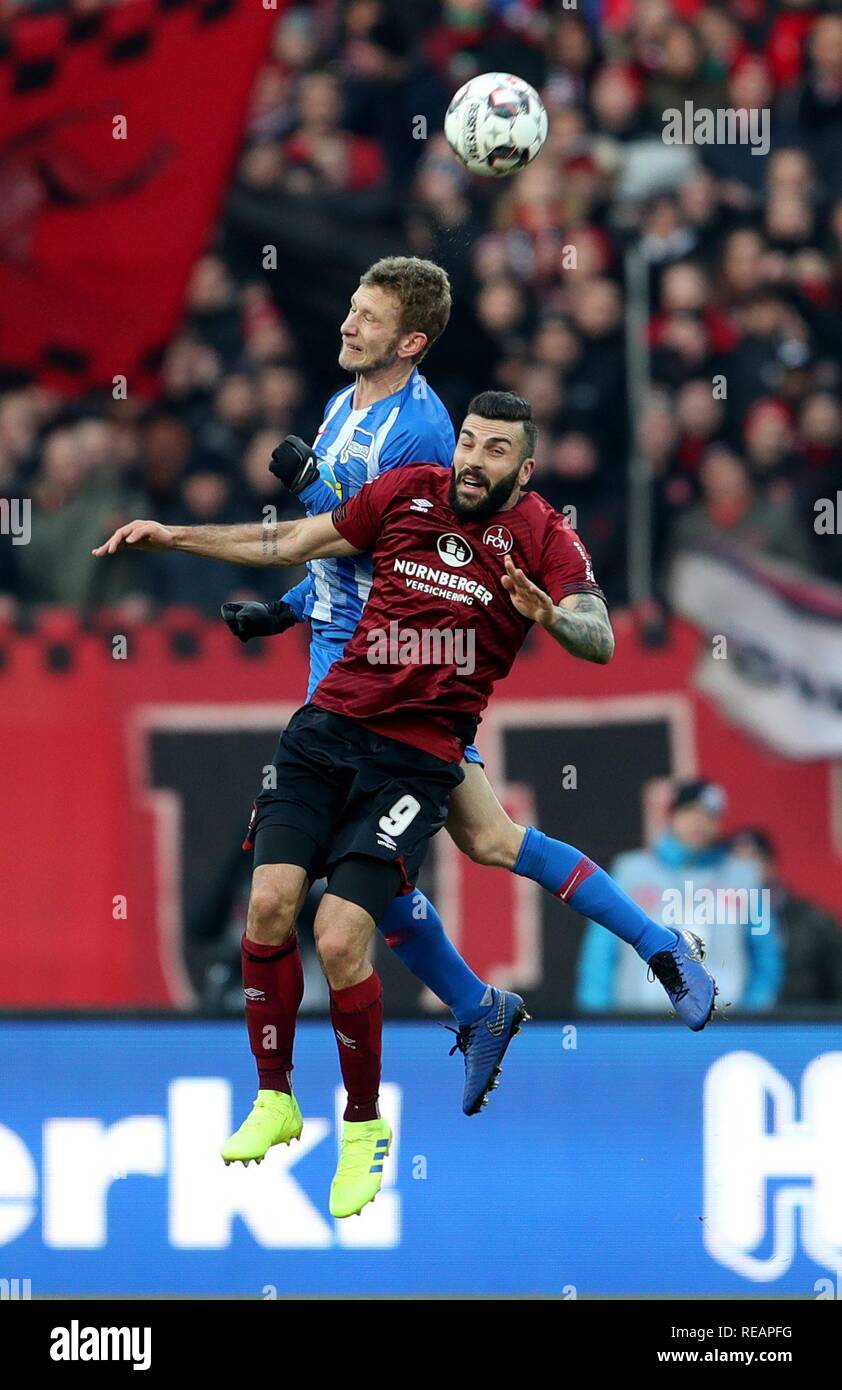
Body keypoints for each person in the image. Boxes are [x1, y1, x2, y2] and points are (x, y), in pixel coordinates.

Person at [94, 392, 718, 1218]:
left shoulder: (541, 536)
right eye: (469, 441)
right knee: (286, 899)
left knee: (376, 909)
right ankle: (323, 1076)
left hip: (421, 753)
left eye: (496, 450)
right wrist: (177, 536)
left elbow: (597, 637)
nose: (473, 459)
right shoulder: (407, 487)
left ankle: (627, 960)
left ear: (524, 471)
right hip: (328, 723)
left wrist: (553, 619)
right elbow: (298, 544)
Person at [219, 257, 716, 1131]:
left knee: (415, 859)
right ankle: (539, 987)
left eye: (364, 314)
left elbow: (392, 553)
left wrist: (306, 520)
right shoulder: (349, 404)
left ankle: (565, 978)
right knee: (476, 842)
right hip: (351, 663)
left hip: (398, 676)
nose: (346, 323)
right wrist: (287, 606)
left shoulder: (423, 436)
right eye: (349, 304)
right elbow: (360, 539)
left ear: (408, 340)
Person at [576, 780, 780, 1015]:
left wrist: (753, 1017)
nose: (699, 823)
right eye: (691, 812)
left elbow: (766, 955)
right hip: (637, 1023)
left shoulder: (745, 878)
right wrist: (596, 1019)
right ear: (672, 815)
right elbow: (601, 949)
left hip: (723, 1026)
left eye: (709, 815)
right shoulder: (631, 872)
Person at [730, 828, 842, 1006]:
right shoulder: (722, 921)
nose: (745, 874)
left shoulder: (815, 921)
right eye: (737, 865)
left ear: (771, 865)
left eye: (753, 861)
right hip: (740, 1025)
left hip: (806, 1026)